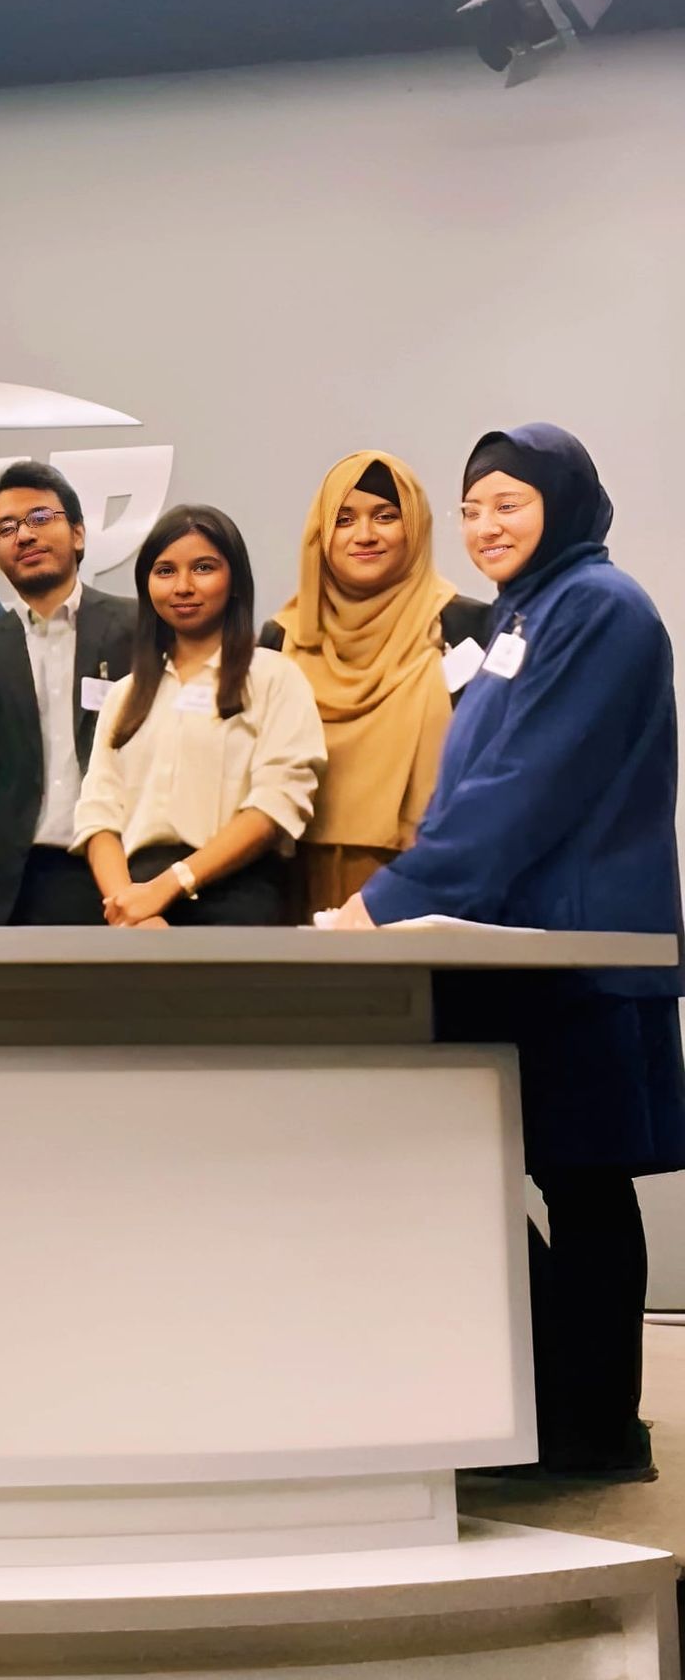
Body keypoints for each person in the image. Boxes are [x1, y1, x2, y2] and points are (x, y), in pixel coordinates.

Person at [326, 425, 685, 1480]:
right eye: (475, 507)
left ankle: (593, 1433)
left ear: (564, 504)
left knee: (581, 1189)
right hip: (513, 948)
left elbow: (525, 788)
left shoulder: (600, 609)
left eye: (510, 505)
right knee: (509, 1178)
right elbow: (472, 785)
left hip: (576, 951)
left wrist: (388, 902)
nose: (486, 526)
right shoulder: (524, 612)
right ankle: (555, 1414)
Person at [71, 505, 324, 927]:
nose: (183, 586)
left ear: (235, 580)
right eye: (165, 571)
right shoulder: (124, 695)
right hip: (135, 911)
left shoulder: (274, 677)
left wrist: (170, 884)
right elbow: (98, 815)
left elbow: (276, 802)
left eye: (203, 568)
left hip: (237, 899)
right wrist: (128, 907)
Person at [262, 451, 490, 916]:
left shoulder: (465, 625)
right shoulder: (282, 637)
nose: (365, 535)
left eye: (385, 516)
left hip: (429, 886)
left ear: (415, 525)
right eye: (344, 519)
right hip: (296, 883)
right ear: (321, 533)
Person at [0, 460, 137, 925]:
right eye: (6, 528)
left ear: (79, 534)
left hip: (129, 872)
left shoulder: (139, 631)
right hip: (21, 887)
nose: (24, 535)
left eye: (40, 518)